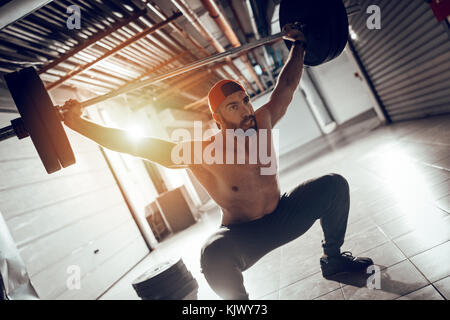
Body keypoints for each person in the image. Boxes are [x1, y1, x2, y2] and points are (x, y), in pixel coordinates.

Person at [63, 23, 373, 300]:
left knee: (333, 185)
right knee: (212, 255)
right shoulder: (205, 152)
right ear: (218, 118)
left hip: (283, 214)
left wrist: (299, 45)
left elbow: (286, 87)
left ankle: (333, 259)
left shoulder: (262, 122)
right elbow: (137, 146)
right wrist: (81, 125)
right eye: (233, 107)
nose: (246, 111)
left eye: (246, 101)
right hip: (243, 236)